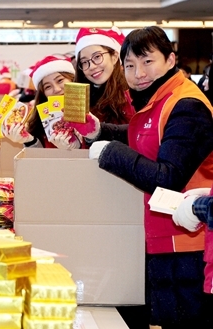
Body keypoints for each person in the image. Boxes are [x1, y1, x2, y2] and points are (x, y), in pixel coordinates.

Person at [72, 26, 213, 328]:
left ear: (171, 59)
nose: (139, 73)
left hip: (190, 246)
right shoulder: (160, 98)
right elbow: (145, 138)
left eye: (148, 61)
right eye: (130, 66)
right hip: (165, 238)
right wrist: (101, 131)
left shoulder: (187, 105)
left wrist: (110, 152)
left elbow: (168, 176)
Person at [6, 55, 78, 149]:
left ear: (72, 79)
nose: (56, 89)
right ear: (43, 94)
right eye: (48, 87)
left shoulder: (93, 109)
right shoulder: (43, 122)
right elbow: (41, 158)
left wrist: (78, 148)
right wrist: (29, 141)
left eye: (60, 80)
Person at [74, 27, 135, 124]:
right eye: (84, 62)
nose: (92, 66)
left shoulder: (133, 92)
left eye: (97, 57)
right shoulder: (79, 100)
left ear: (114, 57)